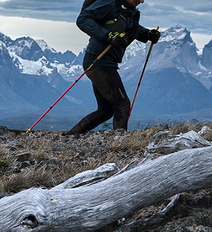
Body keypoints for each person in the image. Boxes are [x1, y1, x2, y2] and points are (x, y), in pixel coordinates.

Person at [66, 0, 160, 135]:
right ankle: (120, 141)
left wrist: (148, 34)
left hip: (107, 62)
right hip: (98, 61)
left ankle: (71, 136)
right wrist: (107, 35)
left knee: (105, 110)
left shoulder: (127, 10)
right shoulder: (109, 3)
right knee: (122, 104)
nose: (142, 1)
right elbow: (83, 19)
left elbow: (132, 28)